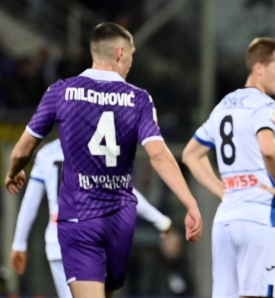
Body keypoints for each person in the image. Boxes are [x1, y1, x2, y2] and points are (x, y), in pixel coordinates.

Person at [4, 22, 203, 298]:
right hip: (119, 220)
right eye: (131, 57)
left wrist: (13, 171)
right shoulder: (139, 99)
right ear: (120, 53)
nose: (131, 64)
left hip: (80, 218)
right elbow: (158, 154)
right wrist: (190, 202)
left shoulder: (61, 92)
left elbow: (22, 150)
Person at [182, 37, 275, 298]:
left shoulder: (224, 105)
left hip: (226, 219)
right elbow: (268, 148)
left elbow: (190, 155)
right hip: (260, 214)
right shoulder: (264, 104)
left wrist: (224, 191)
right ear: (259, 67)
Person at [9, 139, 173, 298]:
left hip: (56, 239)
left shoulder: (46, 153)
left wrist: (19, 244)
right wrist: (159, 219)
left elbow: (30, 201)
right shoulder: (96, 148)